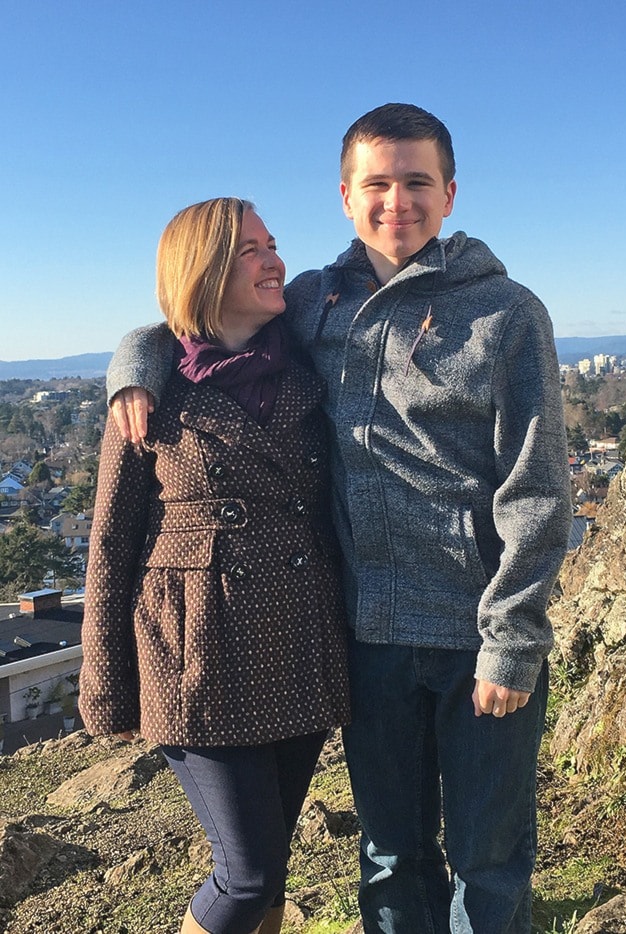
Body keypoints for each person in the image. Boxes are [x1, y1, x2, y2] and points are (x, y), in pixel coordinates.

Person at [106, 105, 572, 934]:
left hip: (479, 635)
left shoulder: (507, 313)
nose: (399, 201)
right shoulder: (314, 302)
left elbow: (535, 489)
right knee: (391, 856)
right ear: (347, 197)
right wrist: (132, 365)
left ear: (451, 193)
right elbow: (196, 316)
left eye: (417, 182)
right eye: (378, 184)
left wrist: (513, 635)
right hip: (365, 634)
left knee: (488, 860)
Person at [79, 197, 350, 934]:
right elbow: (110, 541)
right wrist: (106, 679)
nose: (274, 261)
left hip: (297, 641)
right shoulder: (151, 391)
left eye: (273, 244)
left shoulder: (309, 366)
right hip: (193, 654)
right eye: (249, 251)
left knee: (273, 868)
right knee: (247, 872)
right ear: (202, 269)